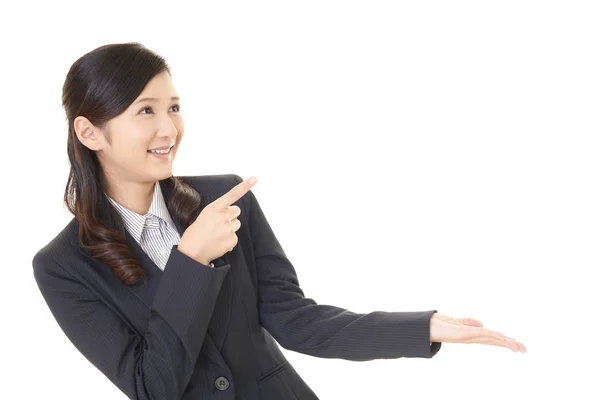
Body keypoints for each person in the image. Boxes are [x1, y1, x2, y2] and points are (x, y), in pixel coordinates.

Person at [32, 42, 526, 400]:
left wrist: (424, 329)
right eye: (145, 111)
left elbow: (297, 320)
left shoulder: (224, 199)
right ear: (89, 131)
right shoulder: (63, 266)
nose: (169, 128)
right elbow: (151, 385)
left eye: (175, 108)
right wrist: (190, 260)